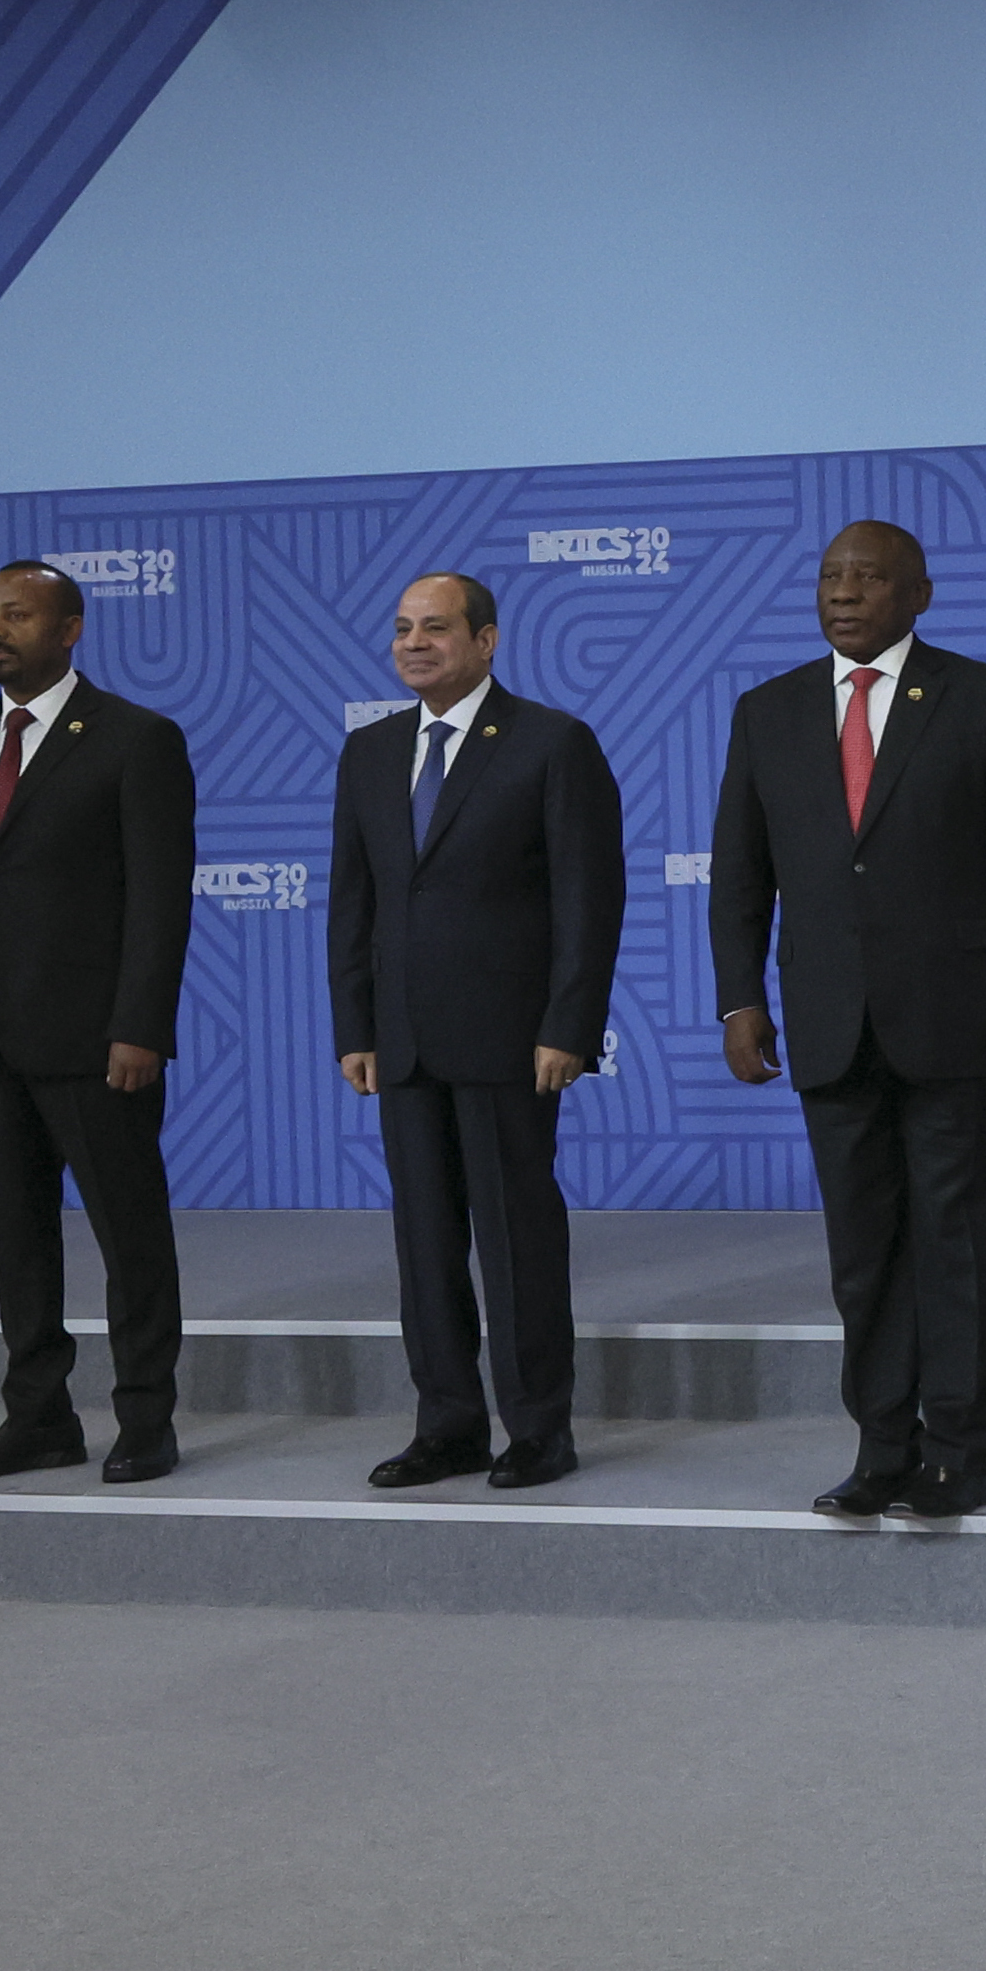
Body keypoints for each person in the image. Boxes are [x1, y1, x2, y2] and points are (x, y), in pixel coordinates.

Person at [712, 522, 986, 1522]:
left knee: (957, 1245)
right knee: (863, 1254)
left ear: (918, 594)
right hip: (831, 1026)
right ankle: (880, 1447)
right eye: (830, 576)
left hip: (962, 1024)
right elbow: (739, 876)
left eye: (869, 578)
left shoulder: (982, 700)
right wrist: (740, 999)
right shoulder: (768, 712)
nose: (844, 593)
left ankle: (959, 1451)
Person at [328, 571, 625, 1492]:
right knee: (424, 1245)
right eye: (403, 627)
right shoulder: (370, 752)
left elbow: (589, 898)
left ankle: (538, 1428)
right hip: (405, 1041)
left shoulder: (551, 743)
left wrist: (568, 1023)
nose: (416, 642)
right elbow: (354, 903)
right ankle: (447, 1424)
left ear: (487, 640)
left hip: (512, 1042)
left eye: (438, 627)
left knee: (516, 1242)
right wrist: (356, 1025)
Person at [0, 560, 199, 1485]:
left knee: (130, 1236)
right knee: (19, 1242)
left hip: (99, 1040)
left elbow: (160, 899)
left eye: (18, 615)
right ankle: (38, 1418)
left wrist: (141, 1024)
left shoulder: (135, 738)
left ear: (69, 629)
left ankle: (146, 1419)